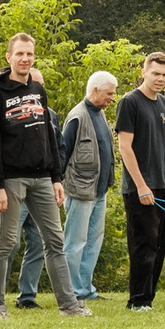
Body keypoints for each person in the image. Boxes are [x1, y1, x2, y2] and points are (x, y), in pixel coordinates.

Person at [0, 32, 87, 319]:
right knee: (5, 243)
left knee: (55, 242)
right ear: (9, 57)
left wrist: (56, 178)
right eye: (20, 54)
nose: (25, 59)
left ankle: (69, 306)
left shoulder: (38, 90)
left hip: (42, 179)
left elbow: (49, 137)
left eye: (29, 54)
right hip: (11, 180)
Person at [48, 71, 119, 307]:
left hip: (99, 190)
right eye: (109, 93)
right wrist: (58, 183)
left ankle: (86, 288)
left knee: (93, 242)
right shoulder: (78, 116)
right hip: (80, 190)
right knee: (75, 242)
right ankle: (71, 291)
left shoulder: (100, 114)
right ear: (95, 90)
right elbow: (63, 153)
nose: (112, 98)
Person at [117, 52, 165, 311]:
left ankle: (148, 298)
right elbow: (124, 147)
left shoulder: (163, 102)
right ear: (144, 72)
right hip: (138, 186)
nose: (160, 79)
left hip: (162, 184)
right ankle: (138, 300)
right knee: (144, 244)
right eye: (155, 74)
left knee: (159, 244)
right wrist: (141, 185)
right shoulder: (129, 102)